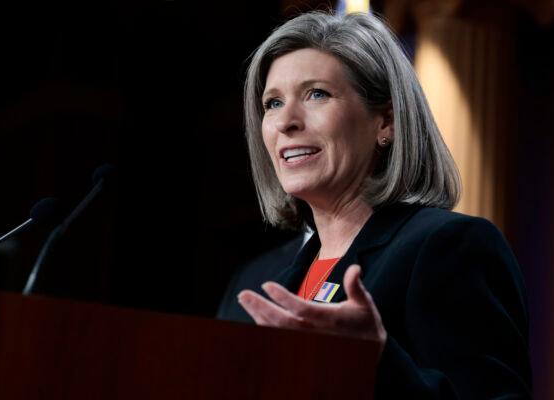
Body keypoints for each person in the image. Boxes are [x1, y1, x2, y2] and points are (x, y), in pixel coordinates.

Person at [217, 11, 532, 399]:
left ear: (386, 122)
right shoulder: (271, 284)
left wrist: (377, 360)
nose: (286, 122)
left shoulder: (450, 247)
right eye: (273, 103)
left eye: (316, 93)